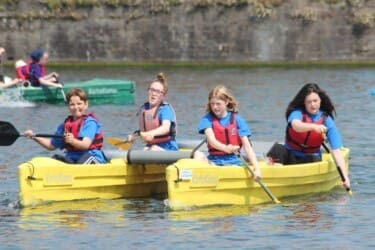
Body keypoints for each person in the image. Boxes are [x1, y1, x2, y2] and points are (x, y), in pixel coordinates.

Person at [282, 83, 350, 188]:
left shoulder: (327, 120)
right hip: (290, 154)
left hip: (311, 158)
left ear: (320, 101)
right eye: (309, 102)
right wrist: (314, 127)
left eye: (315, 101)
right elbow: (296, 125)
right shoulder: (297, 113)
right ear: (304, 103)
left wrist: (345, 177)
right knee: (276, 151)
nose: (313, 105)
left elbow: (336, 150)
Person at [194, 85, 261, 179]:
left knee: (229, 167)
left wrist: (257, 169)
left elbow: (247, 146)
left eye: (218, 104)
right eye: (212, 104)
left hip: (234, 162)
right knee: (197, 154)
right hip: (214, 161)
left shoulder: (238, 120)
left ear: (226, 102)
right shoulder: (207, 119)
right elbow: (212, 141)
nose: (215, 107)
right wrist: (226, 148)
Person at [24, 88, 107, 164]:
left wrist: (73, 141)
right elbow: (51, 146)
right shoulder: (64, 126)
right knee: (55, 160)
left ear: (86, 104)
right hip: (73, 157)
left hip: (92, 156)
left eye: (79, 104)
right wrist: (33, 136)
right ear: (68, 106)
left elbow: (85, 145)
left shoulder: (90, 123)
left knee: (81, 163)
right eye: (72, 104)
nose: (76, 107)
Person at [128, 72, 178, 151]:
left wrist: (151, 133)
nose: (154, 93)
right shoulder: (144, 109)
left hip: (168, 148)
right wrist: (134, 136)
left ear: (163, 95)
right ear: (148, 91)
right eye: (152, 90)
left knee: (153, 149)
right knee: (146, 149)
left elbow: (166, 128)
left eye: (158, 91)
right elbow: (143, 131)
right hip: (151, 146)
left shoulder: (165, 110)